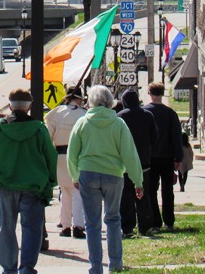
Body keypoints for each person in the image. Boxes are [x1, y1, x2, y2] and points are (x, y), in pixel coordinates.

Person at [0, 88, 58, 274]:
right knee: (32, 229)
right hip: (33, 186)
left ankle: (8, 268)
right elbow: (51, 157)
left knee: (6, 228)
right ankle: (27, 268)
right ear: (29, 106)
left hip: (4, 186)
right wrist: (50, 181)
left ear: (10, 105)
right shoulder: (39, 129)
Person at [67, 85, 144, 274]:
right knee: (113, 219)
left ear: (90, 101)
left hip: (88, 173)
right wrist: (138, 181)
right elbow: (130, 154)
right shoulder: (118, 124)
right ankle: (116, 264)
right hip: (113, 175)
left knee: (92, 223)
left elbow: (72, 153)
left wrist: (74, 176)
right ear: (110, 101)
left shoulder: (82, 122)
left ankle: (95, 267)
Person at [45, 85, 87, 239]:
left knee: (65, 192)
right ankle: (78, 225)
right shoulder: (84, 115)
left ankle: (65, 225)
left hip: (60, 156)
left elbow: (48, 137)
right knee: (78, 192)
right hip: (79, 158)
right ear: (79, 99)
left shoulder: (55, 114)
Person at [117, 88, 158, 238]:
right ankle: (145, 226)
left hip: (124, 163)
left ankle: (127, 228)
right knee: (143, 195)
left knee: (126, 196)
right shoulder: (148, 115)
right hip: (144, 162)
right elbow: (155, 138)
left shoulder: (120, 117)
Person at [142, 81, 183, 232]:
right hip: (167, 157)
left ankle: (155, 222)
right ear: (163, 93)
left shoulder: (145, 112)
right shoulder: (170, 113)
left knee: (151, 190)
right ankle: (169, 221)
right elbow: (176, 137)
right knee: (167, 191)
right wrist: (178, 158)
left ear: (150, 93)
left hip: (150, 157)